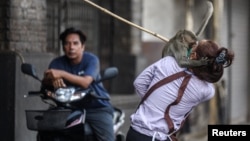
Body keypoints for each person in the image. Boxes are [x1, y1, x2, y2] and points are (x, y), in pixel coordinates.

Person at [126, 39, 234, 141]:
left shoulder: (168, 62)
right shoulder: (206, 90)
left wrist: (153, 103)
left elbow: (139, 83)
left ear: (193, 55)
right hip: (157, 137)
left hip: (134, 132)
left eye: (195, 45)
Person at [42, 27, 115, 141]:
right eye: (67, 43)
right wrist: (50, 79)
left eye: (75, 43)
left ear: (82, 46)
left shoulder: (91, 60)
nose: (71, 47)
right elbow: (47, 80)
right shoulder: (57, 63)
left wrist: (61, 74)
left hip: (96, 107)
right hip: (68, 108)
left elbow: (85, 82)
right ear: (63, 47)